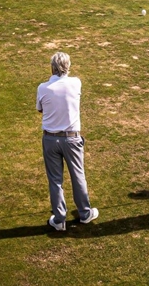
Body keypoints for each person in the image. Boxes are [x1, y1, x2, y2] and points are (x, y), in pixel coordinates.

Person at [37, 52, 99, 232]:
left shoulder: (43, 88)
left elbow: (40, 109)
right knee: (78, 175)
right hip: (72, 138)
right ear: (68, 66)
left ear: (52, 67)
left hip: (50, 139)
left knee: (55, 180)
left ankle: (59, 219)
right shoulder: (76, 82)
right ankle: (85, 213)